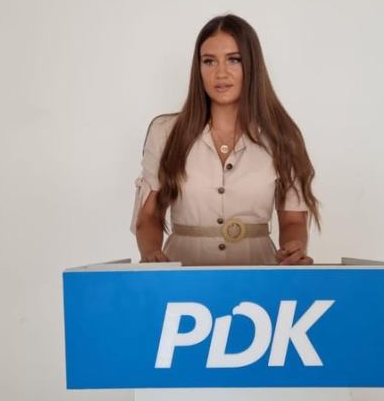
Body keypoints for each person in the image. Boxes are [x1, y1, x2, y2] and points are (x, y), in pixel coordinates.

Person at [130, 14, 320, 266]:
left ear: (251, 65)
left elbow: (293, 220)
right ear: (198, 68)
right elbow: (148, 216)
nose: (221, 73)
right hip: (182, 277)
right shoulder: (164, 132)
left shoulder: (282, 136)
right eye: (209, 61)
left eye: (234, 59)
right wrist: (152, 254)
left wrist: (294, 248)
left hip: (259, 276)